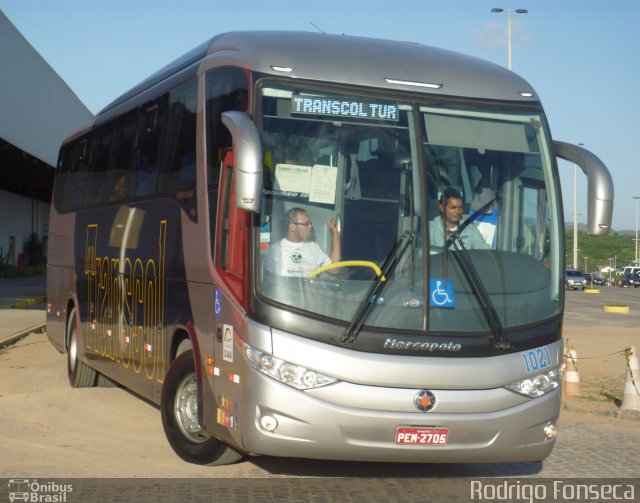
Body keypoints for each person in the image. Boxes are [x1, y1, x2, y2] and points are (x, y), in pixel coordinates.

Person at [264, 207, 341, 276]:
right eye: (306, 223)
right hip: (284, 290)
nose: (310, 226)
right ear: (292, 227)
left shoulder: (313, 247)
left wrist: (335, 236)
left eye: (310, 223)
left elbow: (334, 269)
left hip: (306, 291)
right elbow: (267, 279)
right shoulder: (275, 249)